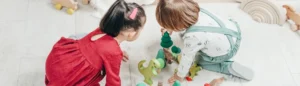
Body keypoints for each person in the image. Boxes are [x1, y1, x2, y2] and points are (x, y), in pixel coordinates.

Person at [45, 0, 146, 85]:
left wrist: (117, 51)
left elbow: (100, 48)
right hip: (67, 79)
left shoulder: (103, 29)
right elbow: (113, 82)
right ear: (132, 33)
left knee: (81, 37)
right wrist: (116, 54)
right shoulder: (114, 53)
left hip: (55, 62)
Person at [155, 0, 254, 84]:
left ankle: (226, 67)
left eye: (170, 26)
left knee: (198, 60)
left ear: (177, 24)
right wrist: (172, 27)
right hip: (234, 33)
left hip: (226, 52)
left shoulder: (192, 37)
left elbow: (187, 58)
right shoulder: (198, 11)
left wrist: (179, 75)